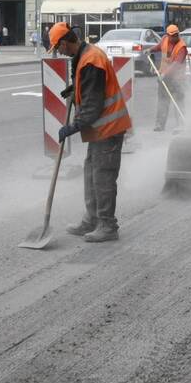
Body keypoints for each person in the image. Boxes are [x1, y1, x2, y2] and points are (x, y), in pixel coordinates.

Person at [50, 21, 132, 243]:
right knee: (90, 174)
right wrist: (74, 88)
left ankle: (107, 225)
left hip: (109, 127)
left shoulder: (91, 61)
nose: (59, 52)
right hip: (100, 130)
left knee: (103, 177)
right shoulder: (86, 55)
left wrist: (71, 128)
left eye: (59, 48)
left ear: (66, 42)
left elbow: (92, 107)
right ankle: (92, 219)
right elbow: (90, 88)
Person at [153, 24, 188, 132]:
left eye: (176, 35)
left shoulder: (182, 47)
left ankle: (181, 125)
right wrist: (150, 50)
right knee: (162, 102)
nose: (175, 37)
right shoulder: (164, 40)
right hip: (164, 78)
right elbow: (159, 47)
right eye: (172, 35)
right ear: (168, 35)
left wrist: (165, 74)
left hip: (177, 79)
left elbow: (176, 64)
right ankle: (160, 124)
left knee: (178, 102)